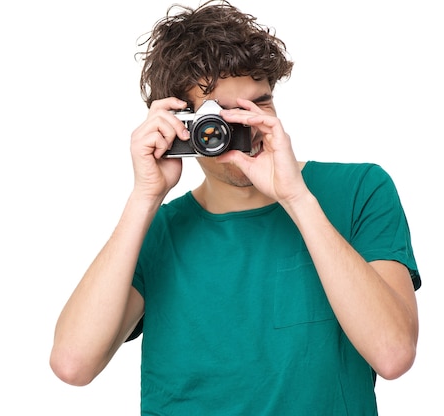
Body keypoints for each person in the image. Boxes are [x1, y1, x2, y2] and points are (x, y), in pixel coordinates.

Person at [49, 0, 422, 414]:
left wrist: (296, 198)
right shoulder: (157, 229)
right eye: (222, 115)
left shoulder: (358, 190)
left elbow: (393, 354)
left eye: (258, 104)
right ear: (181, 122)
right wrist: (145, 197)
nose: (246, 125)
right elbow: (72, 364)